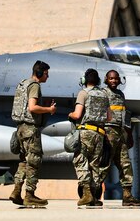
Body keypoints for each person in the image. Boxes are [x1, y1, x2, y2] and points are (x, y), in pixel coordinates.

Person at [10, 60, 57, 207]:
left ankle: (16, 191)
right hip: (30, 129)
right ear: (40, 73)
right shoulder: (34, 86)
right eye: (46, 74)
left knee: (24, 161)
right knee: (34, 162)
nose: (47, 77)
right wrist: (49, 110)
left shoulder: (23, 83)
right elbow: (32, 107)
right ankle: (29, 195)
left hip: (20, 129)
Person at [98, 69, 140, 207]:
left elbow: (124, 116)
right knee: (104, 164)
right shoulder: (103, 93)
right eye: (111, 78)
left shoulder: (120, 94)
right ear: (106, 80)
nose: (113, 81)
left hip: (120, 133)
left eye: (116, 78)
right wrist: (103, 134)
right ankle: (94, 194)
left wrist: (129, 135)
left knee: (126, 165)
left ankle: (127, 196)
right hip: (108, 132)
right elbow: (100, 114)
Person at [68, 68, 109, 207]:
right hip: (100, 134)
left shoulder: (83, 93)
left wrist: (70, 115)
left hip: (86, 132)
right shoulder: (104, 94)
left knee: (81, 161)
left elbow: (77, 115)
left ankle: (86, 194)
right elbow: (109, 117)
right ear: (98, 80)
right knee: (95, 165)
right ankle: (96, 197)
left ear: (84, 80)